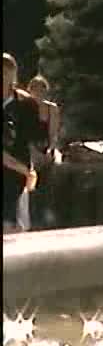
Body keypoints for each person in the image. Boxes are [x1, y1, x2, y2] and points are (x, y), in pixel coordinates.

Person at [3, 53, 44, 234]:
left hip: (17, 172)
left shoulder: (26, 104)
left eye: (5, 72)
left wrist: (29, 169)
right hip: (16, 167)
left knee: (15, 224)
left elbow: (34, 138)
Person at [26, 75, 61, 228]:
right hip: (29, 149)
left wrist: (50, 150)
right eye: (35, 90)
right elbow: (24, 135)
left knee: (49, 175)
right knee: (31, 180)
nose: (39, 93)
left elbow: (53, 134)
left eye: (42, 90)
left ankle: (48, 215)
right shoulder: (25, 109)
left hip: (46, 147)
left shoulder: (52, 109)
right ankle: (32, 218)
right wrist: (33, 152)